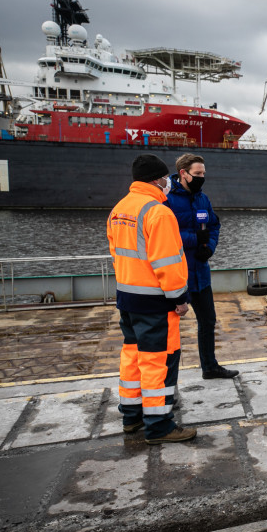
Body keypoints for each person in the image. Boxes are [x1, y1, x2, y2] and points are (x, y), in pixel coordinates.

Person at [107, 155, 195, 445]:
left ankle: (131, 417)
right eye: (165, 178)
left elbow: (117, 254)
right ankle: (159, 425)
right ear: (158, 179)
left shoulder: (119, 209)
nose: (167, 182)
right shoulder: (158, 212)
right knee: (158, 361)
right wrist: (179, 298)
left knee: (132, 357)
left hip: (127, 299)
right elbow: (167, 263)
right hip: (155, 302)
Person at [164, 153, 237, 380]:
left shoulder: (202, 199)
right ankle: (165, 381)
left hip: (200, 272)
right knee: (169, 329)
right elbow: (164, 236)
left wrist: (210, 247)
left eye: (203, 173)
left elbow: (214, 226)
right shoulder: (167, 200)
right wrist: (196, 238)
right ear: (183, 174)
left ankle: (210, 367)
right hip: (177, 273)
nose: (202, 178)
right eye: (197, 174)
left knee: (208, 320)